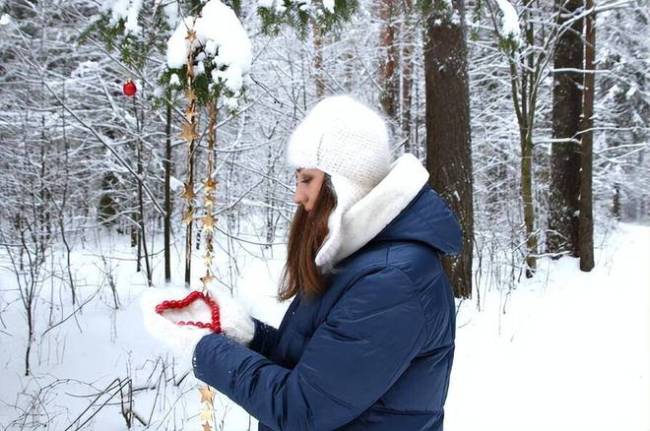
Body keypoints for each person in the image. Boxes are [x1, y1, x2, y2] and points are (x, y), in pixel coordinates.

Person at [142, 95, 462, 431]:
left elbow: (302, 409)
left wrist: (203, 347)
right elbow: (316, 367)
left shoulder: (393, 281)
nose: (297, 195)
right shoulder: (362, 263)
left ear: (344, 184)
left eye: (306, 178)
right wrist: (245, 334)